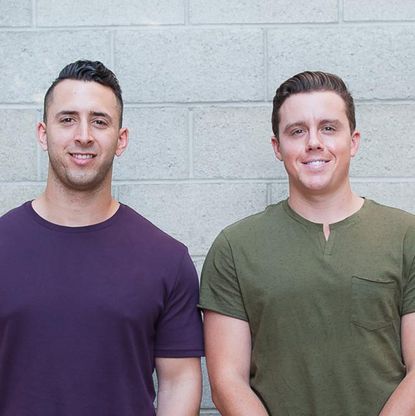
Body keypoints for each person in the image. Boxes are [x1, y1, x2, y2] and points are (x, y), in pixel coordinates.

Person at [199, 71, 415, 415]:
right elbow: (227, 381)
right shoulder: (234, 248)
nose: (314, 142)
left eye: (328, 128)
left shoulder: (406, 236)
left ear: (353, 141)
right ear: (277, 147)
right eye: (297, 131)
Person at [0, 60, 203, 415]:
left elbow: (179, 381)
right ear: (43, 134)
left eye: (99, 121)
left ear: (120, 139)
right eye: (67, 119)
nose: (83, 135)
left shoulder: (166, 259)